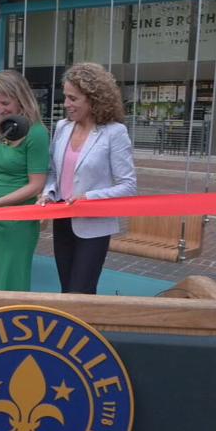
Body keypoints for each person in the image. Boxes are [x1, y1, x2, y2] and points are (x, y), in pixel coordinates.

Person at [38, 63, 137, 294]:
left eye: (73, 99)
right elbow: (53, 172)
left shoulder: (115, 132)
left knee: (80, 291)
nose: (66, 105)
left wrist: (88, 198)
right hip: (62, 220)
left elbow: (128, 186)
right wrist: (49, 193)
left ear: (93, 99)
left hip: (94, 226)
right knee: (66, 290)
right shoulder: (62, 127)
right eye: (66, 97)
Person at [0, 70, 50, 291]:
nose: (0, 109)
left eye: (5, 103)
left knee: (11, 273)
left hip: (19, 219)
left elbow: (36, 185)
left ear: (20, 98)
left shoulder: (37, 133)